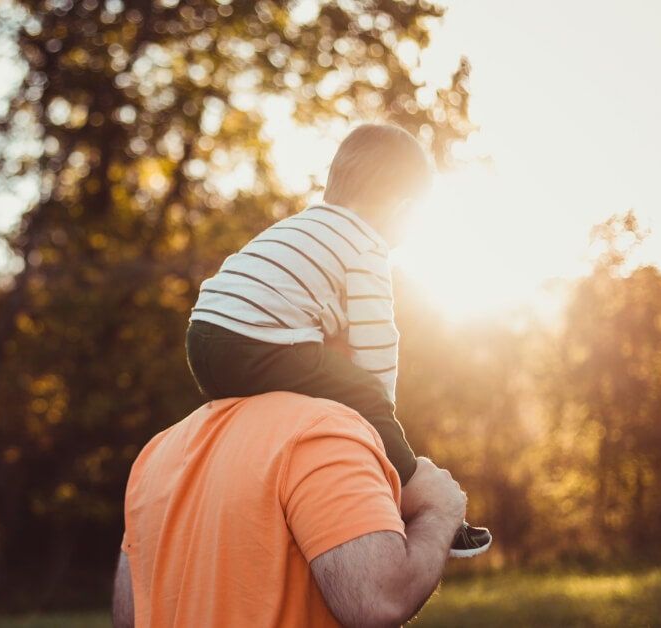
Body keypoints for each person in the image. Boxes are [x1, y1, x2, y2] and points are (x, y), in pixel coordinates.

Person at [184, 123, 490, 556]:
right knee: (361, 389)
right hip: (254, 341)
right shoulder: (366, 244)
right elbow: (377, 342)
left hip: (204, 337)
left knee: (318, 387)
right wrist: (377, 412)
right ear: (403, 210)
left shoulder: (303, 226)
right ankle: (418, 501)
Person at [113, 392, 467, 627]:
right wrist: (440, 510)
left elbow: (129, 617)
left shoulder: (157, 452)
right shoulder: (320, 430)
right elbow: (379, 599)